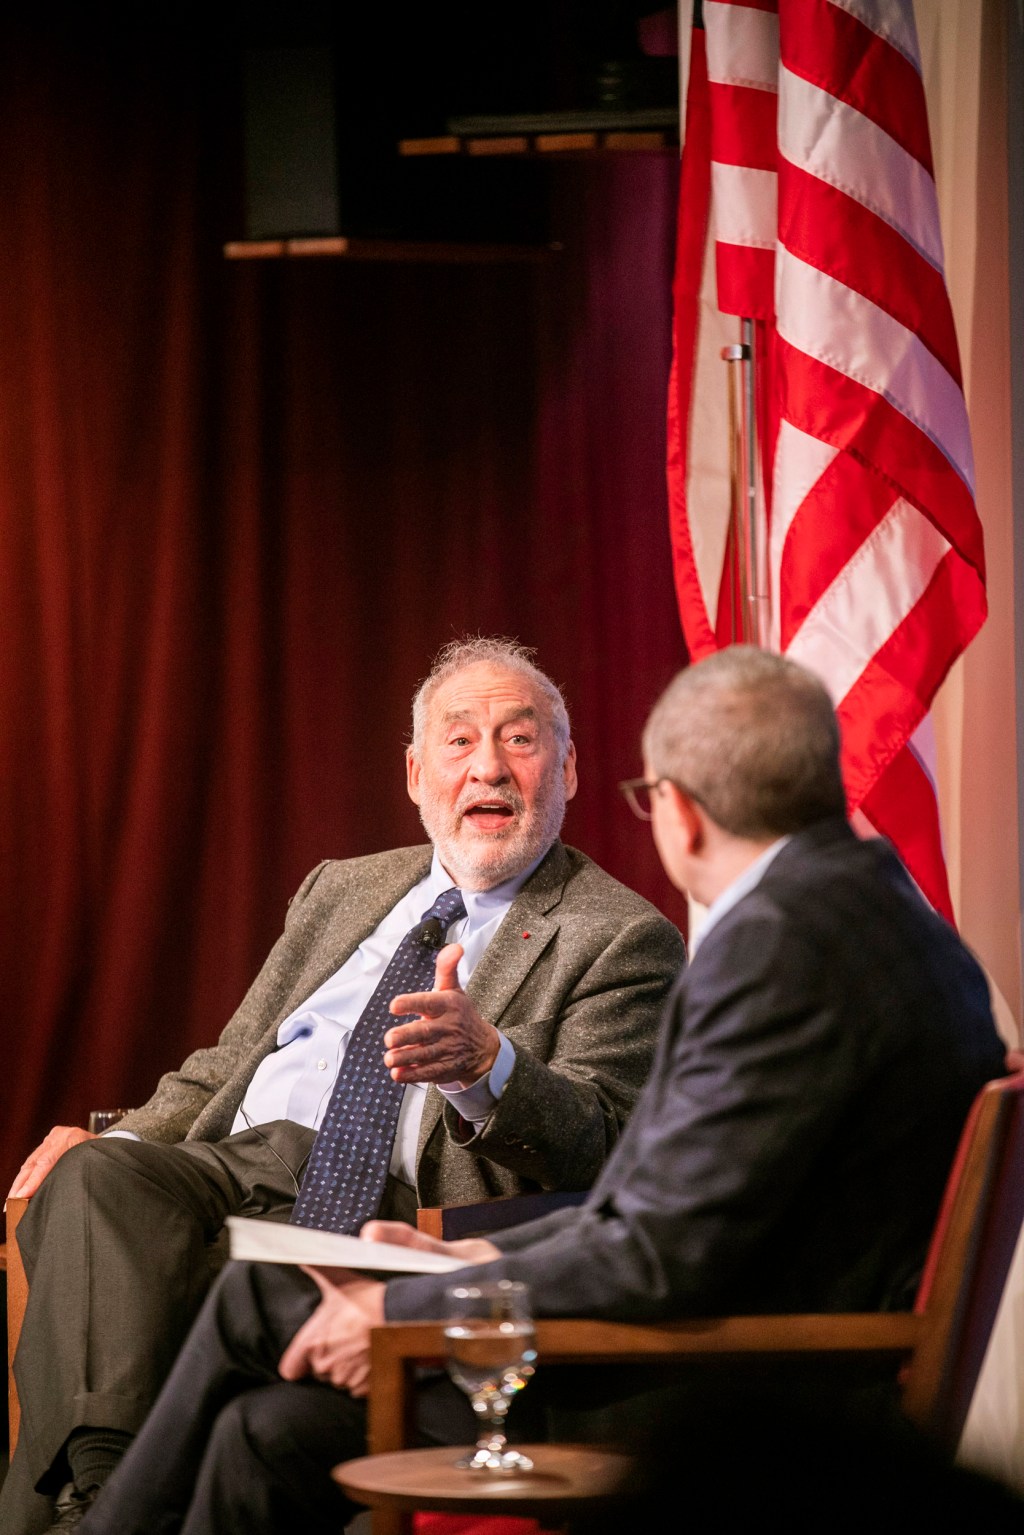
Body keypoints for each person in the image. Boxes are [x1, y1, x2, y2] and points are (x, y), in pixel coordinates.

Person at [78, 645, 1007, 1535]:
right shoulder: (880, 915)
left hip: (731, 1390)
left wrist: (413, 1302)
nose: (489, 766)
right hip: (734, 1344)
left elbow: (653, 1248)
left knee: (256, 1300)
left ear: (677, 811)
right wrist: (452, 1268)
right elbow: (659, 1211)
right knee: (264, 1432)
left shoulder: (777, 949)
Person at [3, 636, 685, 1534]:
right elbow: (232, 1056)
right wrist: (118, 1132)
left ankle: (95, 1515)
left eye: (521, 740)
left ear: (568, 769)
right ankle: (108, 1486)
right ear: (415, 771)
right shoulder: (343, 887)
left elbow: (605, 1140)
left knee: (126, 1263)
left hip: (388, 1206)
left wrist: (492, 1068)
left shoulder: (617, 935)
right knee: (93, 1177)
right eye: (459, 740)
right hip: (238, 1163)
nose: (489, 766)